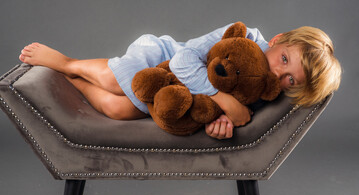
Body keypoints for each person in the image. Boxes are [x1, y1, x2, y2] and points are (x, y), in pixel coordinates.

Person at [18, 22, 341, 139]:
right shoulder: (242, 39)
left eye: (289, 80)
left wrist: (222, 122)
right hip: (163, 61)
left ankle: (67, 79)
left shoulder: (265, 92)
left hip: (175, 96)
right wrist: (221, 97)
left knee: (119, 110)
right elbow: (183, 60)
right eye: (283, 60)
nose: (277, 74)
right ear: (277, 40)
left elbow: (233, 113)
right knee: (119, 84)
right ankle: (67, 62)